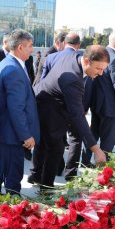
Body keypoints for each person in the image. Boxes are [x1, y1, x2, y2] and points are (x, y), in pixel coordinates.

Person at [31, 46, 108, 188]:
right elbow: (77, 115)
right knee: (55, 147)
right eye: (98, 69)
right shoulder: (72, 79)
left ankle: (36, 175)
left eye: (103, 69)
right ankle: (46, 188)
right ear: (86, 61)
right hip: (47, 106)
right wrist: (96, 149)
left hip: (53, 101)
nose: (101, 73)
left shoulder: (77, 55)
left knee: (49, 144)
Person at [0, 29, 40, 197]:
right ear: (20, 47)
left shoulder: (10, 63)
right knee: (12, 177)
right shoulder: (13, 69)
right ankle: (11, 210)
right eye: (30, 46)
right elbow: (16, 108)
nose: (32, 49)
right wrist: (26, 135)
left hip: (7, 133)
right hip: (12, 135)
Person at [29, 32, 82, 183]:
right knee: (61, 144)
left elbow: (42, 80)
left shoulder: (51, 57)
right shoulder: (77, 58)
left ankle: (36, 173)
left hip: (45, 104)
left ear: (64, 43)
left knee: (44, 142)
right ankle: (53, 179)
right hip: (65, 108)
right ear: (78, 46)